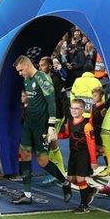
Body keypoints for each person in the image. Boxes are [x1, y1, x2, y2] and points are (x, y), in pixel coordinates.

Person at [11, 55, 72, 204]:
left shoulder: (42, 78)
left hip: (42, 126)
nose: (20, 73)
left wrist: (51, 126)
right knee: (24, 153)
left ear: (26, 66)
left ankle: (65, 183)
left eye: (20, 70)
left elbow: (51, 102)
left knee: (43, 161)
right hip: (29, 124)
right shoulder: (26, 80)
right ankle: (27, 194)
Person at [57, 99, 98, 213]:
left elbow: (91, 144)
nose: (74, 110)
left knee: (80, 179)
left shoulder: (87, 125)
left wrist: (93, 161)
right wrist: (56, 136)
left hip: (83, 155)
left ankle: (84, 206)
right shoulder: (69, 121)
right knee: (71, 179)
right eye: (72, 108)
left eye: (77, 108)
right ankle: (89, 190)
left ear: (83, 110)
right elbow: (66, 134)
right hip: (73, 154)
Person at [39, 56, 68, 185]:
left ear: (50, 66)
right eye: (40, 65)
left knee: (51, 144)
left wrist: (66, 117)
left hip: (56, 116)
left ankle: (59, 173)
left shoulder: (56, 80)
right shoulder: (42, 80)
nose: (41, 68)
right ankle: (59, 173)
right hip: (48, 115)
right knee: (52, 144)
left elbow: (63, 99)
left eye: (43, 65)